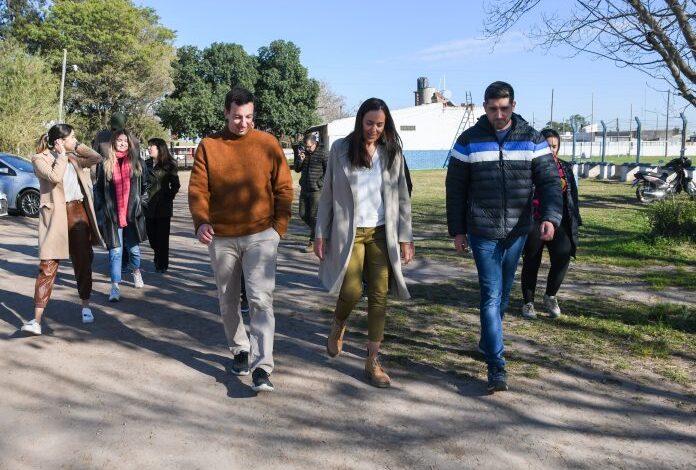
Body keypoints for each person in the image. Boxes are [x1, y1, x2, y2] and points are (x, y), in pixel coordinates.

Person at [445, 81, 562, 394]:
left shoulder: (532, 140)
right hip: (482, 231)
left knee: (503, 296)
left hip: (517, 232)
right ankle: (496, 367)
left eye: (505, 108)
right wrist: (457, 229)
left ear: (513, 105)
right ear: (485, 107)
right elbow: (455, 188)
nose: (499, 113)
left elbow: (550, 182)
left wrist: (550, 217)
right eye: (493, 108)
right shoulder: (468, 141)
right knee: (491, 295)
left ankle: (487, 339)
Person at [188, 86, 293, 393]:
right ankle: (240, 349)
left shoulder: (267, 144)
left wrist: (278, 229)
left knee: (261, 300)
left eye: (248, 117)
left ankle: (262, 367)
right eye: (237, 117)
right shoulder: (209, 146)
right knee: (227, 300)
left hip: (261, 236)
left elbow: (284, 188)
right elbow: (198, 190)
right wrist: (201, 222)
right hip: (222, 237)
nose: (243, 123)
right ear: (226, 113)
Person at [315, 98, 414, 388]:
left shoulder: (392, 151)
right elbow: (328, 193)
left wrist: (406, 236)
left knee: (380, 295)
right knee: (352, 290)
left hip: (382, 232)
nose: (373, 129)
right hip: (351, 232)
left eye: (380, 124)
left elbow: (403, 197)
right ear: (360, 121)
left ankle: (372, 361)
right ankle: (338, 325)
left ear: (386, 126)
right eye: (369, 123)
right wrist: (320, 233)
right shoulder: (340, 149)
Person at [20, 124, 105, 336]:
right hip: (55, 216)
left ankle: (85, 306)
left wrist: (77, 146)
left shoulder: (75, 157)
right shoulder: (40, 159)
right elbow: (55, 177)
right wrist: (60, 155)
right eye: (72, 137)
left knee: (83, 261)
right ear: (58, 141)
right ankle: (36, 320)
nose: (75, 140)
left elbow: (97, 158)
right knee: (47, 266)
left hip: (78, 213)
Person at [520, 128, 582, 319]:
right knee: (532, 260)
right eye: (547, 146)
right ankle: (528, 302)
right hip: (534, 219)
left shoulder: (565, 167)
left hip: (559, 220)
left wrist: (575, 219)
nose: (551, 149)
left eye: (554, 146)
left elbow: (572, 195)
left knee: (563, 256)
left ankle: (550, 295)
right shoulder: (529, 167)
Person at [94, 129, 148, 302]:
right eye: (119, 140)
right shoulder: (104, 164)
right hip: (113, 215)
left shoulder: (138, 163)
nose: (123, 143)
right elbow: (99, 191)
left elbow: (146, 188)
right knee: (115, 252)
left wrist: (141, 205)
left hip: (133, 214)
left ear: (130, 143)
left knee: (134, 250)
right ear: (113, 143)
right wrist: (102, 211)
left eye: (125, 140)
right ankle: (115, 286)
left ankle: (136, 271)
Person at [144, 138, 180, 273]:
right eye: (149, 146)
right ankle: (158, 255)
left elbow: (176, 185)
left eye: (151, 146)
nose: (149, 148)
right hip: (148, 206)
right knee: (152, 237)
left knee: (162, 238)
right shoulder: (145, 164)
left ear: (160, 148)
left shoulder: (169, 164)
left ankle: (162, 264)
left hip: (163, 207)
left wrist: (167, 197)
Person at [293, 133, 327, 253]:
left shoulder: (323, 153)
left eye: (309, 147)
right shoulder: (304, 153)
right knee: (302, 214)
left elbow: (329, 171)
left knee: (313, 216)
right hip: (305, 188)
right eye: (305, 146)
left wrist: (319, 183)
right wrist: (300, 159)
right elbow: (297, 169)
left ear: (315, 143)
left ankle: (312, 241)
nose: (307, 149)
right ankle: (321, 232)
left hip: (316, 191)